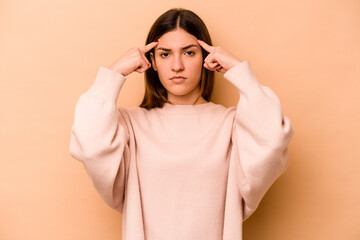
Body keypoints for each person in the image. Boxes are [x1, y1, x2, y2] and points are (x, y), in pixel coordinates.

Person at [69, 8, 294, 240]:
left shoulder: (232, 125)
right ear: (152, 62)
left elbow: (273, 140)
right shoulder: (129, 125)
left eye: (189, 53)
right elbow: (89, 145)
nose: (177, 65)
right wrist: (113, 73)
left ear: (206, 58)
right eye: (165, 54)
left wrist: (240, 72)